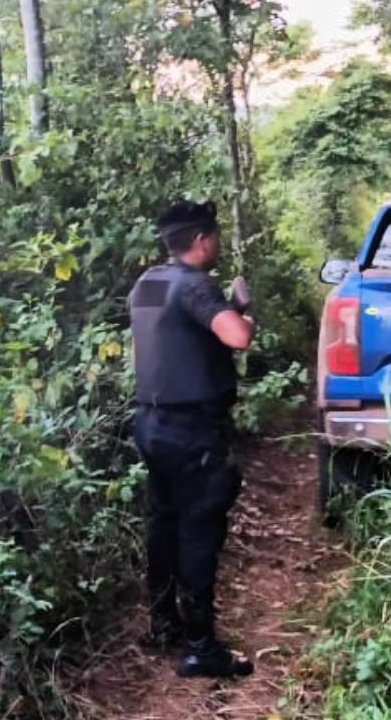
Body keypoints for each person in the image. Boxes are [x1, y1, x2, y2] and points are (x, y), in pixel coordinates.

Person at [128, 200, 256, 678]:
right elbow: (237, 338)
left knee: (163, 524)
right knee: (199, 528)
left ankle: (164, 624)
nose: (217, 244)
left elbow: (161, 342)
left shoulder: (148, 283)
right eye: (215, 236)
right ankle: (202, 646)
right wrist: (243, 313)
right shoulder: (197, 285)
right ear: (201, 241)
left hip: (150, 422)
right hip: (192, 430)